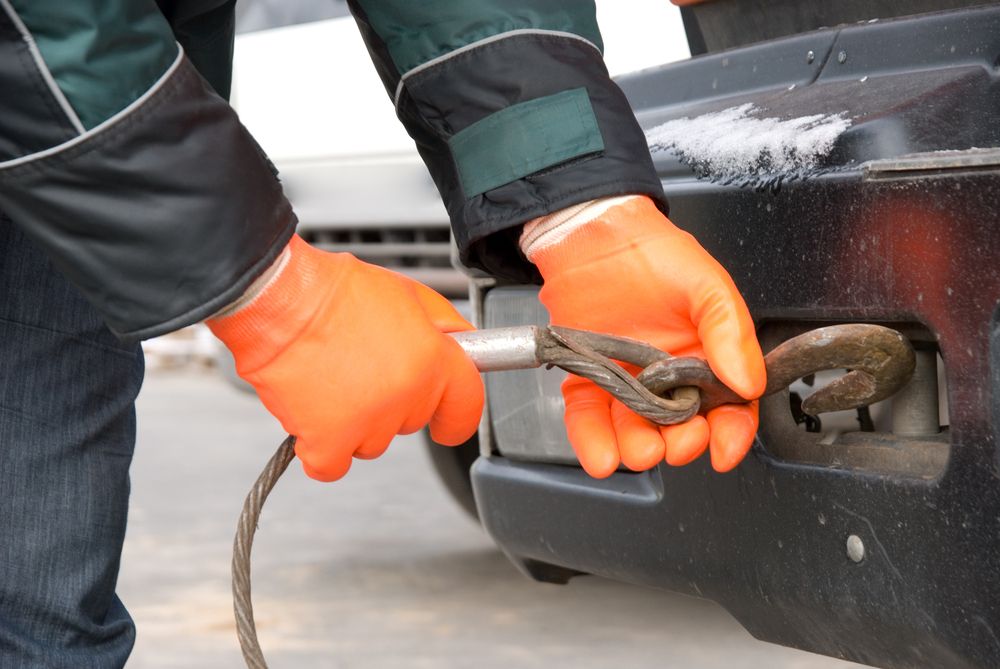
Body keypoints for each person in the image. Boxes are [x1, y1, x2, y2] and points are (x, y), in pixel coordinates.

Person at [0, 1, 765, 666]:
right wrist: (274, 298)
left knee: (40, 616)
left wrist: (580, 207)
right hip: (55, 90)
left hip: (61, 133)